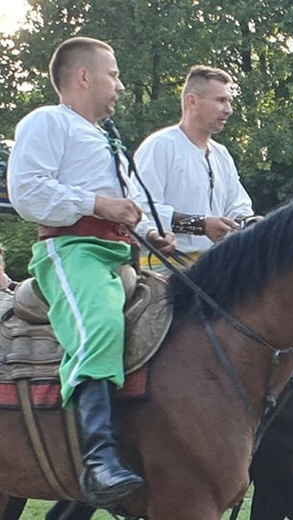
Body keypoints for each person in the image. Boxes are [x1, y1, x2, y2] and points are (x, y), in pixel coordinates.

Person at [7, 37, 176, 506]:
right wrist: (99, 204)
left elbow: (135, 204)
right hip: (71, 249)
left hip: (119, 254)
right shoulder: (47, 121)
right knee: (99, 322)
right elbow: (26, 191)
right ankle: (98, 460)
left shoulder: (107, 140)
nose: (120, 85)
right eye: (114, 74)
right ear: (84, 76)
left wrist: (153, 229)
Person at [134, 65, 254, 271]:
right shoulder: (160, 146)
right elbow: (141, 210)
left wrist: (249, 223)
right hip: (164, 269)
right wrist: (200, 225)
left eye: (228, 101)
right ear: (192, 101)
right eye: (220, 100)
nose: (228, 109)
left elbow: (237, 206)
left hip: (214, 267)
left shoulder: (221, 155)